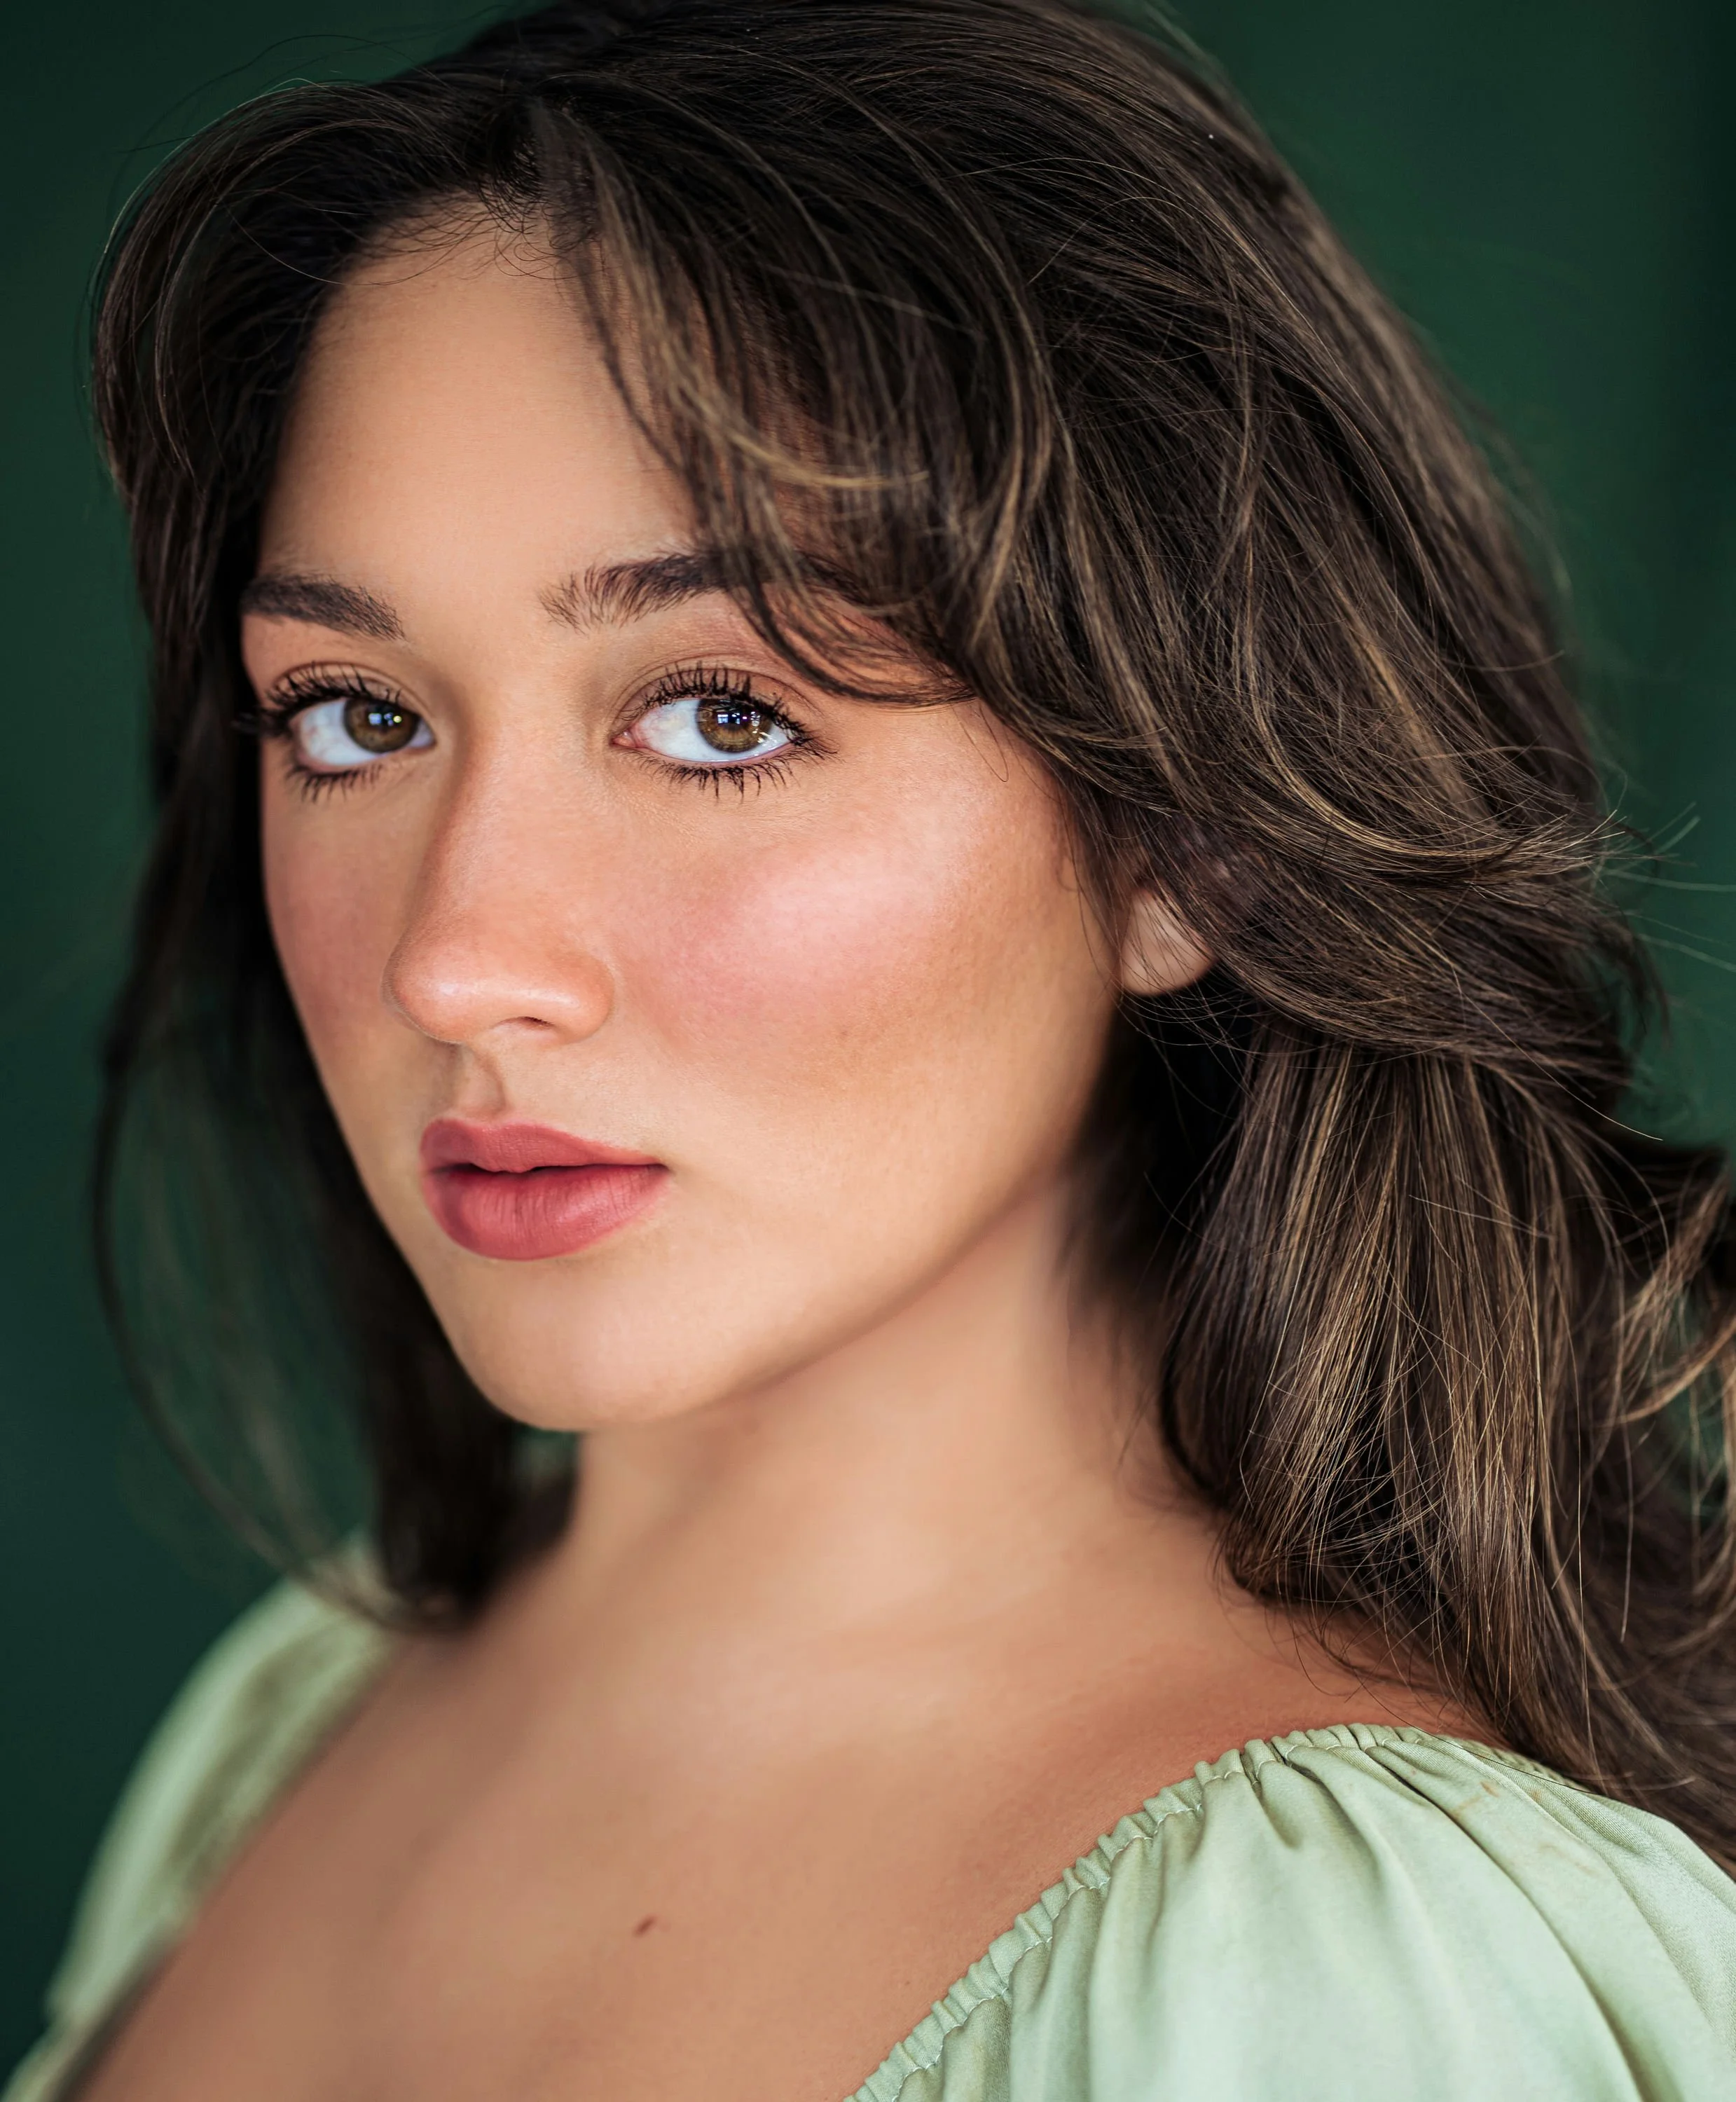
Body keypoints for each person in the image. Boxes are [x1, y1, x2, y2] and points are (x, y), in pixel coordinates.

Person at [11, 0, 1736, 2094]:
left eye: (721, 715)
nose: (456, 963)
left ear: (1184, 842)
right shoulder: (295, 1709)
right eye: (356, 718)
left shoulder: (1343, 1974)